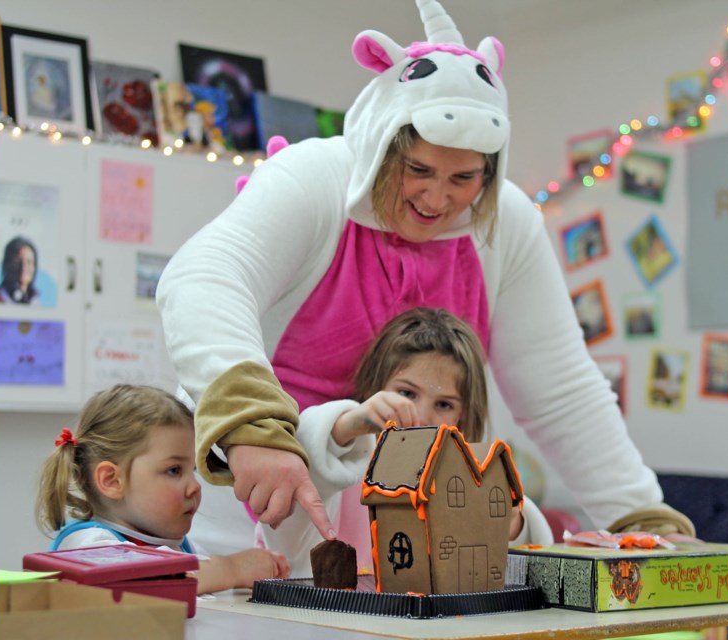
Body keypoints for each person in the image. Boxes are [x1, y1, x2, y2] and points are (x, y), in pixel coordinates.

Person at [156, 0, 694, 564]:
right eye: (418, 170)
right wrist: (253, 429)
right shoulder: (315, 180)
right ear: (386, 143)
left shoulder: (505, 222)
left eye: (463, 178)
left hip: (406, 533)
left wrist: (640, 517)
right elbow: (203, 279)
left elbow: (560, 389)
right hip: (254, 503)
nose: (437, 199)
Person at [259, 307, 554, 576]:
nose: (420, 416)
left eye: (444, 405)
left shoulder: (462, 486)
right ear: (376, 391)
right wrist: (350, 423)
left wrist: (510, 523)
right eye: (406, 394)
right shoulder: (343, 472)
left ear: (462, 418)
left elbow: (532, 557)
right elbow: (304, 473)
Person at [34, 384, 290, 595]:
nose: (194, 486)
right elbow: (140, 582)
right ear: (112, 480)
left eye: (193, 471)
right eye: (174, 470)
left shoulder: (184, 548)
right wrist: (232, 569)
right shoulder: (86, 544)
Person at [0, 235, 40, 305]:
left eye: (29, 262)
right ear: (7, 264)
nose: (24, 267)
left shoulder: (36, 300)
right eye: (17, 261)